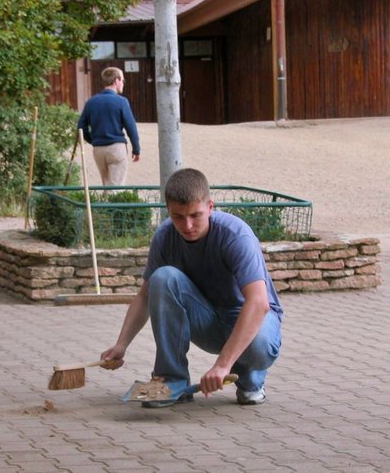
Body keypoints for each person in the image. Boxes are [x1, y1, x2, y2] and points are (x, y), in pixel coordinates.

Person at [100, 168, 283, 408]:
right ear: (168, 211)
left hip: (249, 320)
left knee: (257, 345)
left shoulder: (235, 236)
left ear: (210, 207)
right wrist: (121, 344)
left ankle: (250, 380)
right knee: (162, 277)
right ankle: (171, 381)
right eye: (178, 217)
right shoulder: (165, 236)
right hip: (207, 321)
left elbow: (259, 304)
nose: (187, 225)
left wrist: (222, 365)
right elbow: (145, 297)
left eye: (195, 215)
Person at [77, 67, 140, 186]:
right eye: (122, 80)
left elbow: (81, 127)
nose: (123, 83)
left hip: (98, 150)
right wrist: (136, 149)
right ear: (116, 80)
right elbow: (131, 127)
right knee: (116, 188)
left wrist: (94, 140)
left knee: (106, 185)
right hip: (116, 148)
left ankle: (106, 204)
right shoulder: (121, 101)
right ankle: (114, 205)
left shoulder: (91, 102)